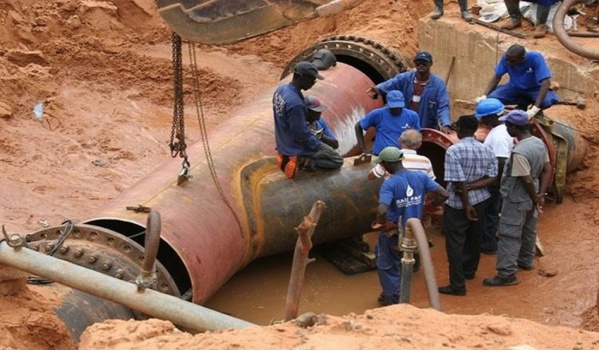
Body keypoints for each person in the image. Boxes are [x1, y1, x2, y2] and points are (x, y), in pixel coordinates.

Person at [370, 147, 449, 305]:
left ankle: (394, 301)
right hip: (414, 231)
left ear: (385, 164)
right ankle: (392, 293)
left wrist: (383, 222)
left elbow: (382, 208)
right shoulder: (420, 177)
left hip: (394, 233)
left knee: (387, 265)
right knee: (404, 261)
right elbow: (445, 194)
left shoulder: (390, 184)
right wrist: (429, 206)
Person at [483, 110, 552, 287]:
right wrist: (541, 194)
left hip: (517, 197)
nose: (505, 128)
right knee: (529, 229)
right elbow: (547, 169)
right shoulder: (538, 143)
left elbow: (526, 179)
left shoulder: (519, 152)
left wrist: (536, 197)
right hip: (533, 194)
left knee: (509, 233)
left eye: (507, 126)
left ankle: (506, 274)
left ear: (514, 128)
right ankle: (525, 261)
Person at [439, 115, 497, 296]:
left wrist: (466, 204)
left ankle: (457, 285)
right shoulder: (486, 149)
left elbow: (457, 181)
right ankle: (469, 272)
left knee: (455, 243)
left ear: (460, 130)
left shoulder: (453, 151)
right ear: (473, 130)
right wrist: (473, 188)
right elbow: (492, 177)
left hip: (458, 203)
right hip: (481, 199)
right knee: (474, 237)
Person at [367, 52, 452, 133]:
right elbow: (392, 83)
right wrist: (378, 89)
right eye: (418, 62)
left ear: (431, 64)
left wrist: (446, 124)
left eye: (424, 62)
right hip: (405, 124)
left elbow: (443, 106)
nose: (421, 65)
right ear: (415, 63)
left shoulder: (438, 84)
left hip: (426, 126)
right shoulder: (406, 78)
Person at [273, 61, 329, 179]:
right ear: (302, 77)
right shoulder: (296, 104)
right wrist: (316, 145)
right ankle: (301, 161)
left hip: (283, 142)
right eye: (312, 79)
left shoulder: (281, 89)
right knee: (336, 160)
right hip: (295, 147)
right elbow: (300, 133)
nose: (313, 83)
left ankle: (284, 157)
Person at [477, 44, 559, 119]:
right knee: (492, 99)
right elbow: (497, 76)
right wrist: (484, 95)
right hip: (514, 88)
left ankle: (532, 106)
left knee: (547, 102)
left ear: (522, 58)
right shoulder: (507, 58)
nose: (508, 63)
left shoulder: (535, 58)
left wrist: (535, 109)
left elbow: (546, 82)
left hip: (534, 89)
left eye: (512, 61)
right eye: (507, 60)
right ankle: (523, 103)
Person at [475, 98, 514, 255]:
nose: (481, 121)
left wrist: (493, 183)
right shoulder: (499, 131)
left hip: (493, 182)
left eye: (483, 118)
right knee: (491, 212)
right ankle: (488, 240)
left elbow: (501, 161)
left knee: (489, 213)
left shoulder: (499, 136)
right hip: (493, 180)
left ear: (492, 117)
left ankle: (488, 244)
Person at [355, 90, 420, 156]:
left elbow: (417, 136)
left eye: (399, 107)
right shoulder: (378, 114)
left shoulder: (412, 116)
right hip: (379, 155)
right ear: (388, 104)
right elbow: (358, 126)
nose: (397, 110)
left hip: (402, 155)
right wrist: (363, 149)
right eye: (394, 107)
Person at [368, 129, 435, 181]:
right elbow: (432, 184)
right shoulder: (426, 161)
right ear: (419, 145)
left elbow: (371, 176)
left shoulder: (390, 158)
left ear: (400, 141)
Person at [303, 95, 343, 170]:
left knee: (337, 160)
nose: (319, 113)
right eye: (316, 111)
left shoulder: (320, 121)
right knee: (338, 161)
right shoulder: (300, 125)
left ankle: (312, 162)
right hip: (307, 153)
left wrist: (320, 135)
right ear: (307, 111)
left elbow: (335, 144)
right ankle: (311, 162)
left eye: (319, 110)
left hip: (318, 152)